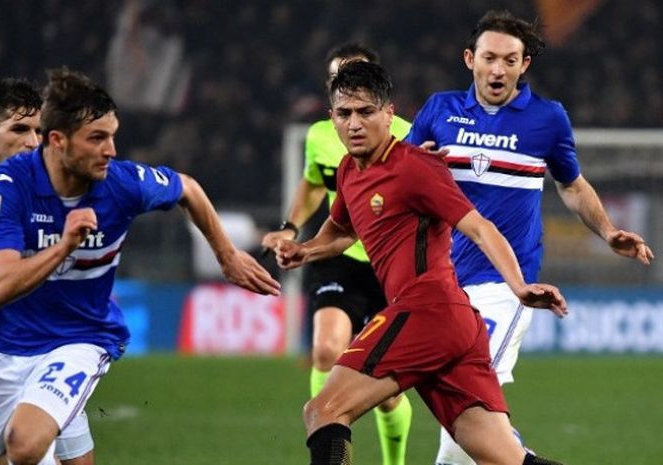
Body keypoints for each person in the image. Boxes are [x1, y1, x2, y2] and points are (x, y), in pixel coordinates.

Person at [0, 68, 280, 465]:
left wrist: (227, 255)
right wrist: (64, 247)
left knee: (26, 444)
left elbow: (188, 189)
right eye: (97, 138)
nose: (111, 150)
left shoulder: (124, 183)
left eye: (112, 136)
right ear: (58, 141)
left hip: (78, 338)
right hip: (0, 346)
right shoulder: (8, 184)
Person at [276, 60, 568, 465]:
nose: (355, 124)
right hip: (453, 328)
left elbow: (479, 227)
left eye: (366, 112)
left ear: (389, 114)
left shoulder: (415, 166)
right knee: (507, 458)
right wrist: (304, 249)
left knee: (322, 411)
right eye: (345, 114)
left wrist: (519, 287)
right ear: (332, 118)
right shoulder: (348, 170)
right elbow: (343, 231)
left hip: (426, 310)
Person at [405, 10, 654, 465]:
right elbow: (401, 182)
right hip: (438, 286)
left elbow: (572, 185)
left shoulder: (547, 119)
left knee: (467, 417)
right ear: (469, 59)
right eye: (489, 58)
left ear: (525, 65)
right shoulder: (438, 110)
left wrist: (608, 231)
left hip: (504, 287)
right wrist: (417, 165)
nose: (498, 69)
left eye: (510, 59)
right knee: (471, 420)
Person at [262, 43, 413, 465]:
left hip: (389, 266)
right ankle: (329, 446)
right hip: (337, 255)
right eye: (337, 83)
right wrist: (292, 229)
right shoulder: (320, 137)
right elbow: (313, 183)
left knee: (386, 394)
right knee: (327, 349)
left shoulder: (406, 135)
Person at [0, 78, 97, 465]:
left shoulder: (54, 186)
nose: (31, 141)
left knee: (79, 460)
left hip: (42, 348)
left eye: (38, 131)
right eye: (20, 129)